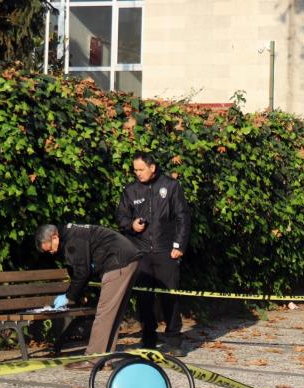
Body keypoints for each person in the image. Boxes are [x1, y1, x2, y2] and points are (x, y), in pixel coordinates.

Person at [36, 223, 142, 369]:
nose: (52, 253)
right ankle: (105, 360)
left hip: (117, 262)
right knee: (113, 314)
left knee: (104, 313)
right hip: (128, 258)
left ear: (55, 237)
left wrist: (68, 296)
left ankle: (92, 360)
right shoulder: (72, 233)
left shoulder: (72, 241)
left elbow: (82, 272)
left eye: (50, 248)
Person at [115, 153, 191, 355]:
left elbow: (182, 218)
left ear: (152, 167)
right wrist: (131, 225)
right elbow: (121, 217)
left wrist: (179, 246)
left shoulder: (171, 187)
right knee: (144, 298)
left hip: (166, 250)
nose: (137, 173)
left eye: (140, 169)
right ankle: (148, 337)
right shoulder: (130, 190)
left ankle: (174, 339)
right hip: (140, 252)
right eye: (135, 170)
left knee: (169, 296)